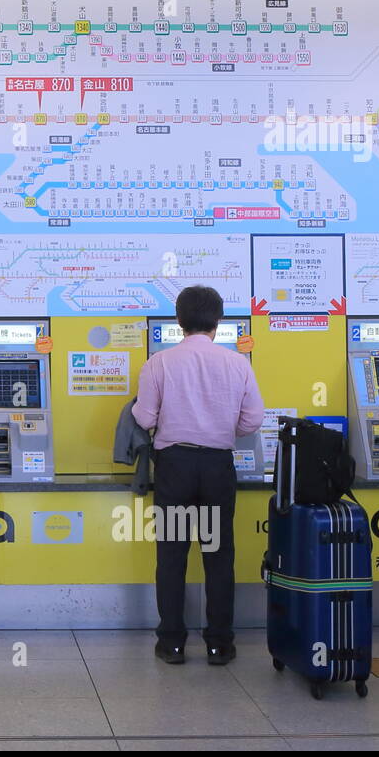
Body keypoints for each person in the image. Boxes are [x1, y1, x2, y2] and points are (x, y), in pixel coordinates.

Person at [133, 285, 265, 665]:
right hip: (217, 466)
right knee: (218, 556)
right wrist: (223, 426)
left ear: (179, 321)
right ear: (218, 321)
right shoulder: (238, 363)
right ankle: (219, 644)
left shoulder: (158, 363)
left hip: (174, 465)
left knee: (172, 555)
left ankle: (172, 643)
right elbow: (252, 420)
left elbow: (145, 418)